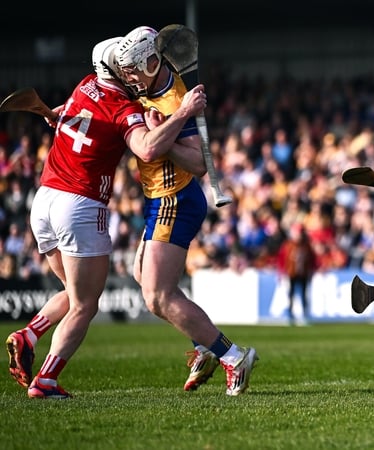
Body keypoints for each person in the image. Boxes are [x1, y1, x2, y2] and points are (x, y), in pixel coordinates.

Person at [5, 36, 208, 398]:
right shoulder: (123, 108)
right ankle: (47, 379)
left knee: (73, 291)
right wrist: (182, 113)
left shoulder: (84, 87)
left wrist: (54, 117)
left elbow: (67, 117)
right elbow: (146, 148)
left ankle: (29, 334)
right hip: (79, 205)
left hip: (44, 199)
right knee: (85, 304)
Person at [115, 25, 258, 396]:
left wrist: (169, 127)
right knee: (146, 280)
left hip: (174, 199)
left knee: (158, 295)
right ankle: (203, 347)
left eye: (132, 69)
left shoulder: (175, 97)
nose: (128, 77)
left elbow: (197, 163)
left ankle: (232, 355)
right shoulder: (153, 88)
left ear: (150, 62)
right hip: (157, 199)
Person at [276, 222, 318, 325]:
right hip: (291, 273)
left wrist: (312, 270)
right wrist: (281, 272)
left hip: (303, 274)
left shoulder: (306, 246)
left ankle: (304, 315)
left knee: (304, 295)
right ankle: (290, 315)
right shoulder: (288, 245)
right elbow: (281, 259)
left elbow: (312, 260)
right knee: (290, 294)